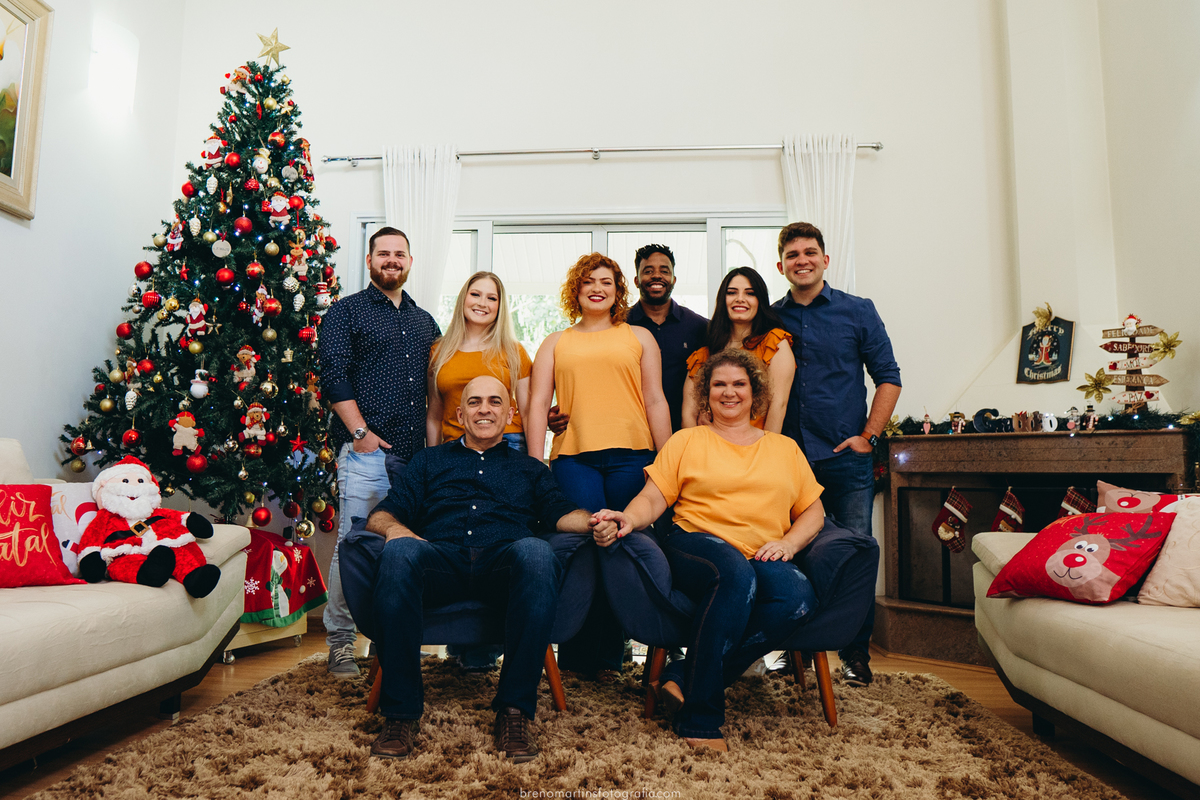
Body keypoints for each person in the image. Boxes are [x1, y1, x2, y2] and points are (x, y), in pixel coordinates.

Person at [593, 348, 824, 751]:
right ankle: (699, 719)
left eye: (739, 384)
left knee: (798, 597)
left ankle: (683, 676)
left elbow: (814, 513)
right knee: (734, 574)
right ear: (706, 394)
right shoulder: (687, 441)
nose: (729, 393)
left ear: (756, 393)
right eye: (719, 385)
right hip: (695, 545)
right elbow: (653, 497)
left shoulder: (783, 448)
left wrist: (788, 543)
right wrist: (629, 518)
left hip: (761, 552)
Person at [364, 376, 597, 761]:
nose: (484, 409)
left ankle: (514, 712)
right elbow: (381, 516)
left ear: (510, 413)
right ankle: (400, 716)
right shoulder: (428, 461)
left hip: (503, 566)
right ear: (460, 414)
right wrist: (402, 535)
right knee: (399, 551)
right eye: (474, 402)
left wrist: (594, 521)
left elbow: (560, 514)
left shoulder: (531, 469)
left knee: (538, 552)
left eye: (494, 402)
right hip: (442, 562)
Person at [525, 252, 671, 681]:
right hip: (575, 460)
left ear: (617, 291)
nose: (597, 288)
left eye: (606, 282)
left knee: (621, 546)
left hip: (634, 458)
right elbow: (536, 406)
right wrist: (535, 464)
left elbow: (655, 400)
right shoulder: (555, 342)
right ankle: (574, 656)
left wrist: (667, 463)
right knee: (584, 548)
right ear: (577, 289)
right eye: (589, 281)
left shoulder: (640, 337)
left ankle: (611, 656)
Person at [772, 221, 901, 687]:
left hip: (845, 459)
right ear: (781, 265)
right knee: (790, 554)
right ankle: (793, 651)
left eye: (810, 252)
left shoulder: (857, 311)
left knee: (853, 555)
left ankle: (855, 654)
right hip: (787, 463)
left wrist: (869, 434)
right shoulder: (771, 318)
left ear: (825, 260)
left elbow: (888, 375)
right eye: (792, 254)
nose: (801, 260)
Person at [318, 226, 440, 678]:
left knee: (405, 549)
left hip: (415, 458)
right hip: (366, 453)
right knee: (354, 547)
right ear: (370, 261)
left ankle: (395, 640)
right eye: (383, 253)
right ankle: (341, 644)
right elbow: (333, 376)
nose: (392, 260)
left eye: (400, 254)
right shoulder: (345, 312)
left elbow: (442, 384)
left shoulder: (425, 321)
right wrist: (360, 433)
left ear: (410, 262)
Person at [426, 271, 533, 671]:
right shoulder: (440, 349)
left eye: (492, 297)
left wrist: (534, 461)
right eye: (476, 294)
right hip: (455, 454)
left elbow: (528, 410)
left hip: (507, 450)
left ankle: (484, 649)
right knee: (456, 538)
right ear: (463, 298)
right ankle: (462, 644)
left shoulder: (514, 351)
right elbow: (434, 413)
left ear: (500, 306)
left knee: (496, 540)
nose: (483, 302)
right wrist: (431, 461)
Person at [681, 267, 795, 433]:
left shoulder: (773, 343)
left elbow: (778, 405)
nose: (740, 299)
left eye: (750, 293)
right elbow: (688, 415)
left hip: (755, 449)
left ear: (760, 300)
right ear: (722, 299)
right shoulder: (704, 355)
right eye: (732, 292)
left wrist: (768, 451)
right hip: (710, 451)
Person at [626, 244, 709, 432]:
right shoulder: (619, 326)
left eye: (664, 271)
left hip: (686, 431)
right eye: (648, 271)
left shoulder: (700, 327)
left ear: (673, 279)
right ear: (637, 280)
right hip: (632, 437)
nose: (657, 276)